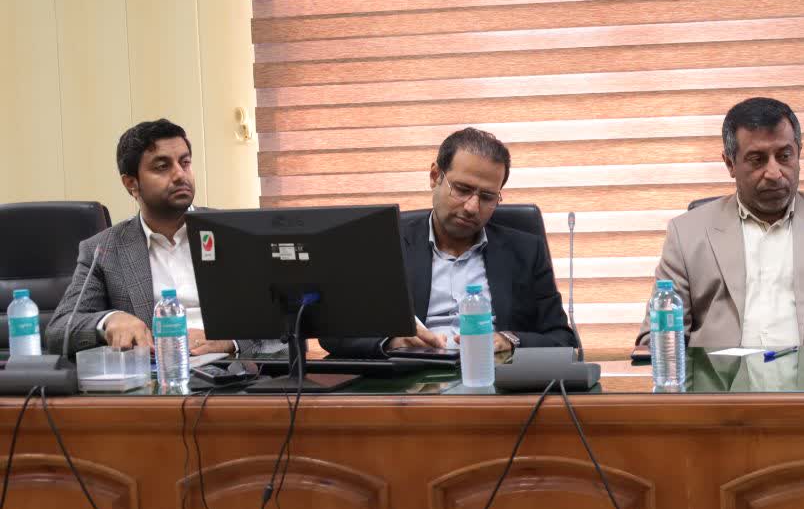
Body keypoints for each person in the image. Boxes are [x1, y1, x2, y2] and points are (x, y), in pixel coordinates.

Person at [638, 97, 804, 347]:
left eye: (785, 156)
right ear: (730, 164)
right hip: (721, 382)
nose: (775, 173)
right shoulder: (686, 234)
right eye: (757, 160)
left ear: (799, 154)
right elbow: (656, 336)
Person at [321, 128, 574, 359]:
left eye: (487, 197)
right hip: (410, 382)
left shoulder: (526, 251)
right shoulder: (384, 245)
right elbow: (334, 333)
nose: (472, 207)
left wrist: (509, 339)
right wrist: (392, 342)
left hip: (494, 378)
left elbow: (562, 339)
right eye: (462, 189)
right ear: (435, 177)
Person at [48, 119, 279, 356]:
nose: (179, 175)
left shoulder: (237, 234)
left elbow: (285, 325)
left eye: (185, 163)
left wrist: (231, 342)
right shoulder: (104, 249)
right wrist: (109, 320)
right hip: (154, 375)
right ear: (131, 183)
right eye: (162, 167)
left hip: (234, 372)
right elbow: (59, 331)